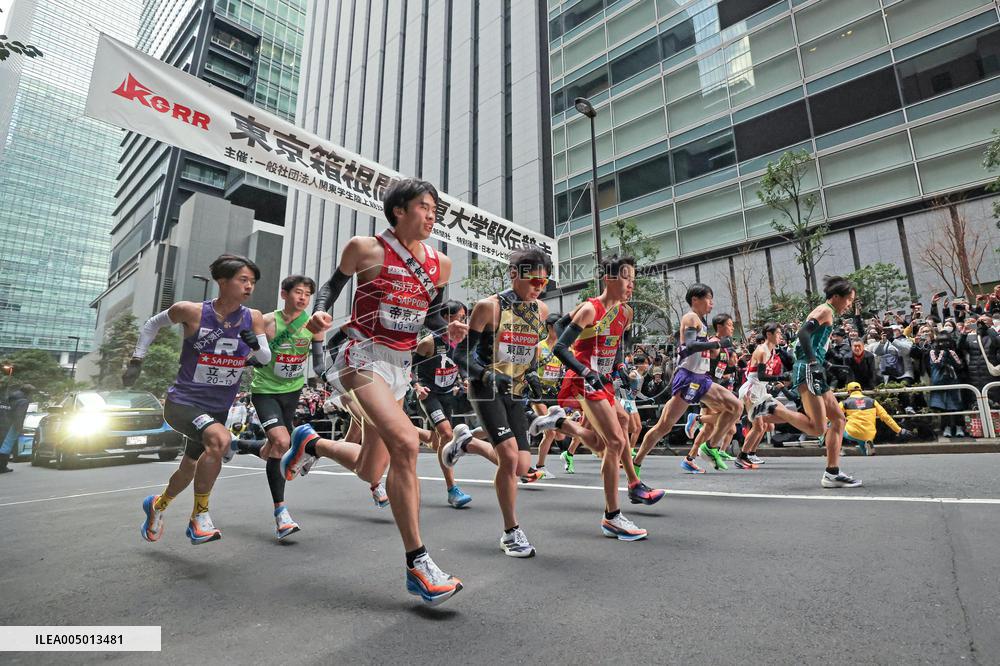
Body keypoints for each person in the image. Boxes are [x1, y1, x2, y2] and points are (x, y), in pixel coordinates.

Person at [292, 178, 465, 605]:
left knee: (372, 470)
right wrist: (319, 313)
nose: (431, 215)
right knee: (407, 443)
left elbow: (432, 315)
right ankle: (419, 564)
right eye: (424, 207)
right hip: (361, 357)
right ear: (398, 211)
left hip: (402, 367)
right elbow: (332, 286)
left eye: (434, 209)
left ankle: (311, 444)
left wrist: (449, 330)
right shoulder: (366, 248)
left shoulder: (440, 264)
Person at [131, 254, 269, 544]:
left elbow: (265, 358)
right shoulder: (191, 311)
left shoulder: (252, 317)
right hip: (183, 402)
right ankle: (199, 518)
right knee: (219, 439)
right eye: (243, 280)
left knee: (188, 469)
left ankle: (157, 506)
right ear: (222, 281)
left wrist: (254, 344)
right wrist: (137, 359)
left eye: (253, 282)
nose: (249, 287)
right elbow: (152, 324)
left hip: (217, 407)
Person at [445, 246, 557, 557]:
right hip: (486, 388)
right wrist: (485, 375)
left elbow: (530, 352)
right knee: (508, 459)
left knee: (522, 466)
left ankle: (466, 442)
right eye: (533, 281)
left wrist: (533, 375)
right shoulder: (489, 307)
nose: (538, 287)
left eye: (543, 282)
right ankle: (511, 532)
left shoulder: (541, 312)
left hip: (516, 390)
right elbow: (459, 354)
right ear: (513, 274)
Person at [544, 255, 665, 542]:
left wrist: (620, 366)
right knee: (614, 442)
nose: (631, 285)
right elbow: (560, 347)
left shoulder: (626, 313)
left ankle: (563, 424)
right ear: (609, 279)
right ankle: (613, 516)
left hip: (605, 380)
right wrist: (585, 369)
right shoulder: (589, 309)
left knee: (615, 431)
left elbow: (618, 342)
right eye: (627, 279)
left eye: (634, 280)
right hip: (584, 379)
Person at [229, 274, 329, 540]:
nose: (303, 298)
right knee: (282, 442)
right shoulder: (267, 321)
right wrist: (252, 348)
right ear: (284, 294)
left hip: (292, 391)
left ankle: (236, 445)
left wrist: (329, 376)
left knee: (273, 447)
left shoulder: (314, 324)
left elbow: (318, 363)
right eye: (298, 292)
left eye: (308, 294)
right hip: (265, 392)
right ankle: (281, 512)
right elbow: (255, 360)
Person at [632, 284, 743, 475]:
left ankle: (710, 446)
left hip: (702, 378)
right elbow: (690, 345)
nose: (712, 303)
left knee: (736, 407)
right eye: (709, 298)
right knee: (663, 427)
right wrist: (716, 343)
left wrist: (718, 349)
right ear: (695, 300)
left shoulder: (701, 322)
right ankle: (636, 462)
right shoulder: (690, 317)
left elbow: (704, 348)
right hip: (688, 378)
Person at [412, 299, 498, 508]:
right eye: (460, 317)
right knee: (447, 434)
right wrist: (416, 386)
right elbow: (409, 366)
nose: (464, 321)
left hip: (450, 394)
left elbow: (460, 363)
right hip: (430, 394)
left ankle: (411, 431)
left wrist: (464, 379)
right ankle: (452, 490)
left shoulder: (463, 342)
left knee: (443, 438)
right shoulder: (429, 343)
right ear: (447, 319)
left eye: (464, 317)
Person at [526, 312, 567, 478]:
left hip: (553, 393)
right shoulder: (538, 347)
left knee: (560, 433)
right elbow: (530, 369)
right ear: (550, 328)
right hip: (538, 393)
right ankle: (540, 466)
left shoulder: (563, 348)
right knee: (550, 431)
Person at [838, 382, 910, 455]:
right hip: (869, 433)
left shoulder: (845, 403)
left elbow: (831, 415)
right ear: (861, 390)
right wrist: (898, 430)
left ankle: (837, 449)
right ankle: (868, 445)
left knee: (832, 424)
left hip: (853, 432)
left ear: (848, 392)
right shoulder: (872, 401)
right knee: (865, 449)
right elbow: (885, 417)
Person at [0, 384, 34, 473]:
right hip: (12, 425)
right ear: (29, 392)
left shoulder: (11, 397)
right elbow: (19, 415)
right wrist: (19, 427)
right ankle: (2, 466)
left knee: (2, 444)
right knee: (7, 446)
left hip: (3, 422)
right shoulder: (23, 401)